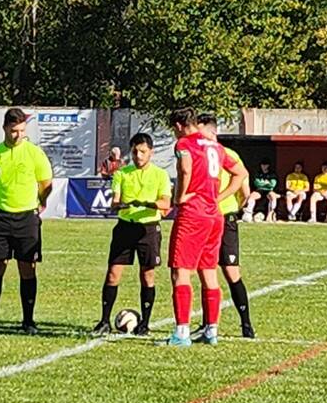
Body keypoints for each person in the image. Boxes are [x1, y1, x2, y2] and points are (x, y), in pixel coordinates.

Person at [163, 108, 248, 347]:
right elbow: (240, 172)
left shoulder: (184, 144)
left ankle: (182, 332)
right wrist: (219, 197)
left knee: (180, 271)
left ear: (179, 125)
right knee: (208, 272)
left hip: (193, 214)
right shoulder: (215, 146)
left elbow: (185, 169)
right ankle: (211, 330)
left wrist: (180, 196)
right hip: (214, 215)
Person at [0, 108, 54, 334]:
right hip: (0, 217)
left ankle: (28, 321)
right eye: (13, 130)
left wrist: (40, 201)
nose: (17, 135)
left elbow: (46, 183)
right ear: (4, 128)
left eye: (21, 130)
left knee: (27, 267)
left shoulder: (35, 153)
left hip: (27, 218)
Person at [93, 133, 171, 336]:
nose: (138, 155)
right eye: (135, 151)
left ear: (151, 153)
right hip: (125, 227)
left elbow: (165, 204)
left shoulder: (160, 175)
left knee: (147, 275)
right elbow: (115, 202)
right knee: (113, 274)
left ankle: (145, 323)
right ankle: (104, 320)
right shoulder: (122, 174)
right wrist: (123, 204)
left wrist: (146, 203)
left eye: (143, 152)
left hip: (149, 228)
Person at [198, 114, 254, 338]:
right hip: (204, 218)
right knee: (205, 271)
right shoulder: (197, 154)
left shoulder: (227, 154)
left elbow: (243, 182)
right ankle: (207, 323)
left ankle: (246, 324)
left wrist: (224, 200)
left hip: (224, 217)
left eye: (202, 135)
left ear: (213, 134)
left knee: (231, 271)